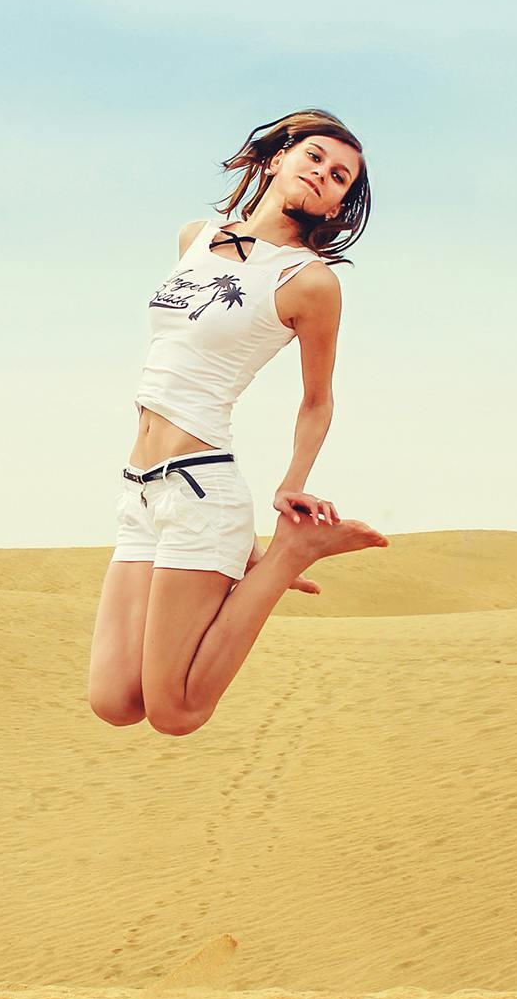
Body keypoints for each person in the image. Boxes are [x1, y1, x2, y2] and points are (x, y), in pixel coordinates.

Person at [86, 108, 389, 736]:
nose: (323, 176)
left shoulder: (309, 282)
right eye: (314, 158)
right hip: (141, 489)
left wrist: (291, 484)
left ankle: (288, 557)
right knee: (115, 701)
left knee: (177, 711)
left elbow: (317, 400)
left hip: (202, 488)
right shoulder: (195, 236)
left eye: (339, 177)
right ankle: (254, 563)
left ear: (337, 207)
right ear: (279, 158)